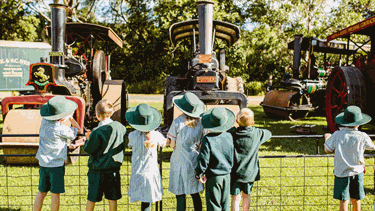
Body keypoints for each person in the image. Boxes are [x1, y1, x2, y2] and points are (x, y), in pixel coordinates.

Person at [33, 96, 83, 211]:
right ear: (61, 118)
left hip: (43, 164)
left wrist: (61, 118)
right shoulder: (60, 129)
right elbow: (78, 130)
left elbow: (52, 120)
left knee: (42, 192)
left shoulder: (44, 123)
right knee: (55, 194)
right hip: (56, 165)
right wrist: (70, 118)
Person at [324, 106, 375, 211]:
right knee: (356, 199)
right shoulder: (363, 136)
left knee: (343, 200)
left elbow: (327, 149)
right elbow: (372, 146)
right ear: (359, 123)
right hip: (357, 171)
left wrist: (327, 138)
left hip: (341, 172)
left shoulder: (337, 135)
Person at [83, 99, 126, 211]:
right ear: (111, 113)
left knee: (92, 198)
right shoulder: (120, 127)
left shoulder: (96, 131)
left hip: (97, 170)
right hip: (113, 169)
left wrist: (87, 139)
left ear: (97, 114)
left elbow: (89, 149)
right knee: (112, 198)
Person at [126, 103, 168, 211]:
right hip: (151, 173)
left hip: (138, 172)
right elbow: (164, 142)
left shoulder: (132, 136)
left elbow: (130, 145)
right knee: (147, 202)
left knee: (144, 202)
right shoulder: (156, 135)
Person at [167, 92, 205, 211]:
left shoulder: (177, 122)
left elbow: (172, 144)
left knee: (180, 193)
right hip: (194, 160)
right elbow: (202, 142)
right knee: (195, 193)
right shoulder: (201, 123)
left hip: (179, 160)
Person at [229, 108, 272, 211]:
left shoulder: (232, 133)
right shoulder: (257, 133)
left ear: (236, 121)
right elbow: (269, 133)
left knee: (235, 197)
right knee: (247, 195)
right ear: (253, 122)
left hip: (235, 172)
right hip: (249, 173)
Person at [195, 107, 235, 211]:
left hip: (213, 176)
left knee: (214, 205)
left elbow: (204, 158)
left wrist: (199, 173)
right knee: (225, 205)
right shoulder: (229, 136)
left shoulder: (207, 139)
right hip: (227, 175)